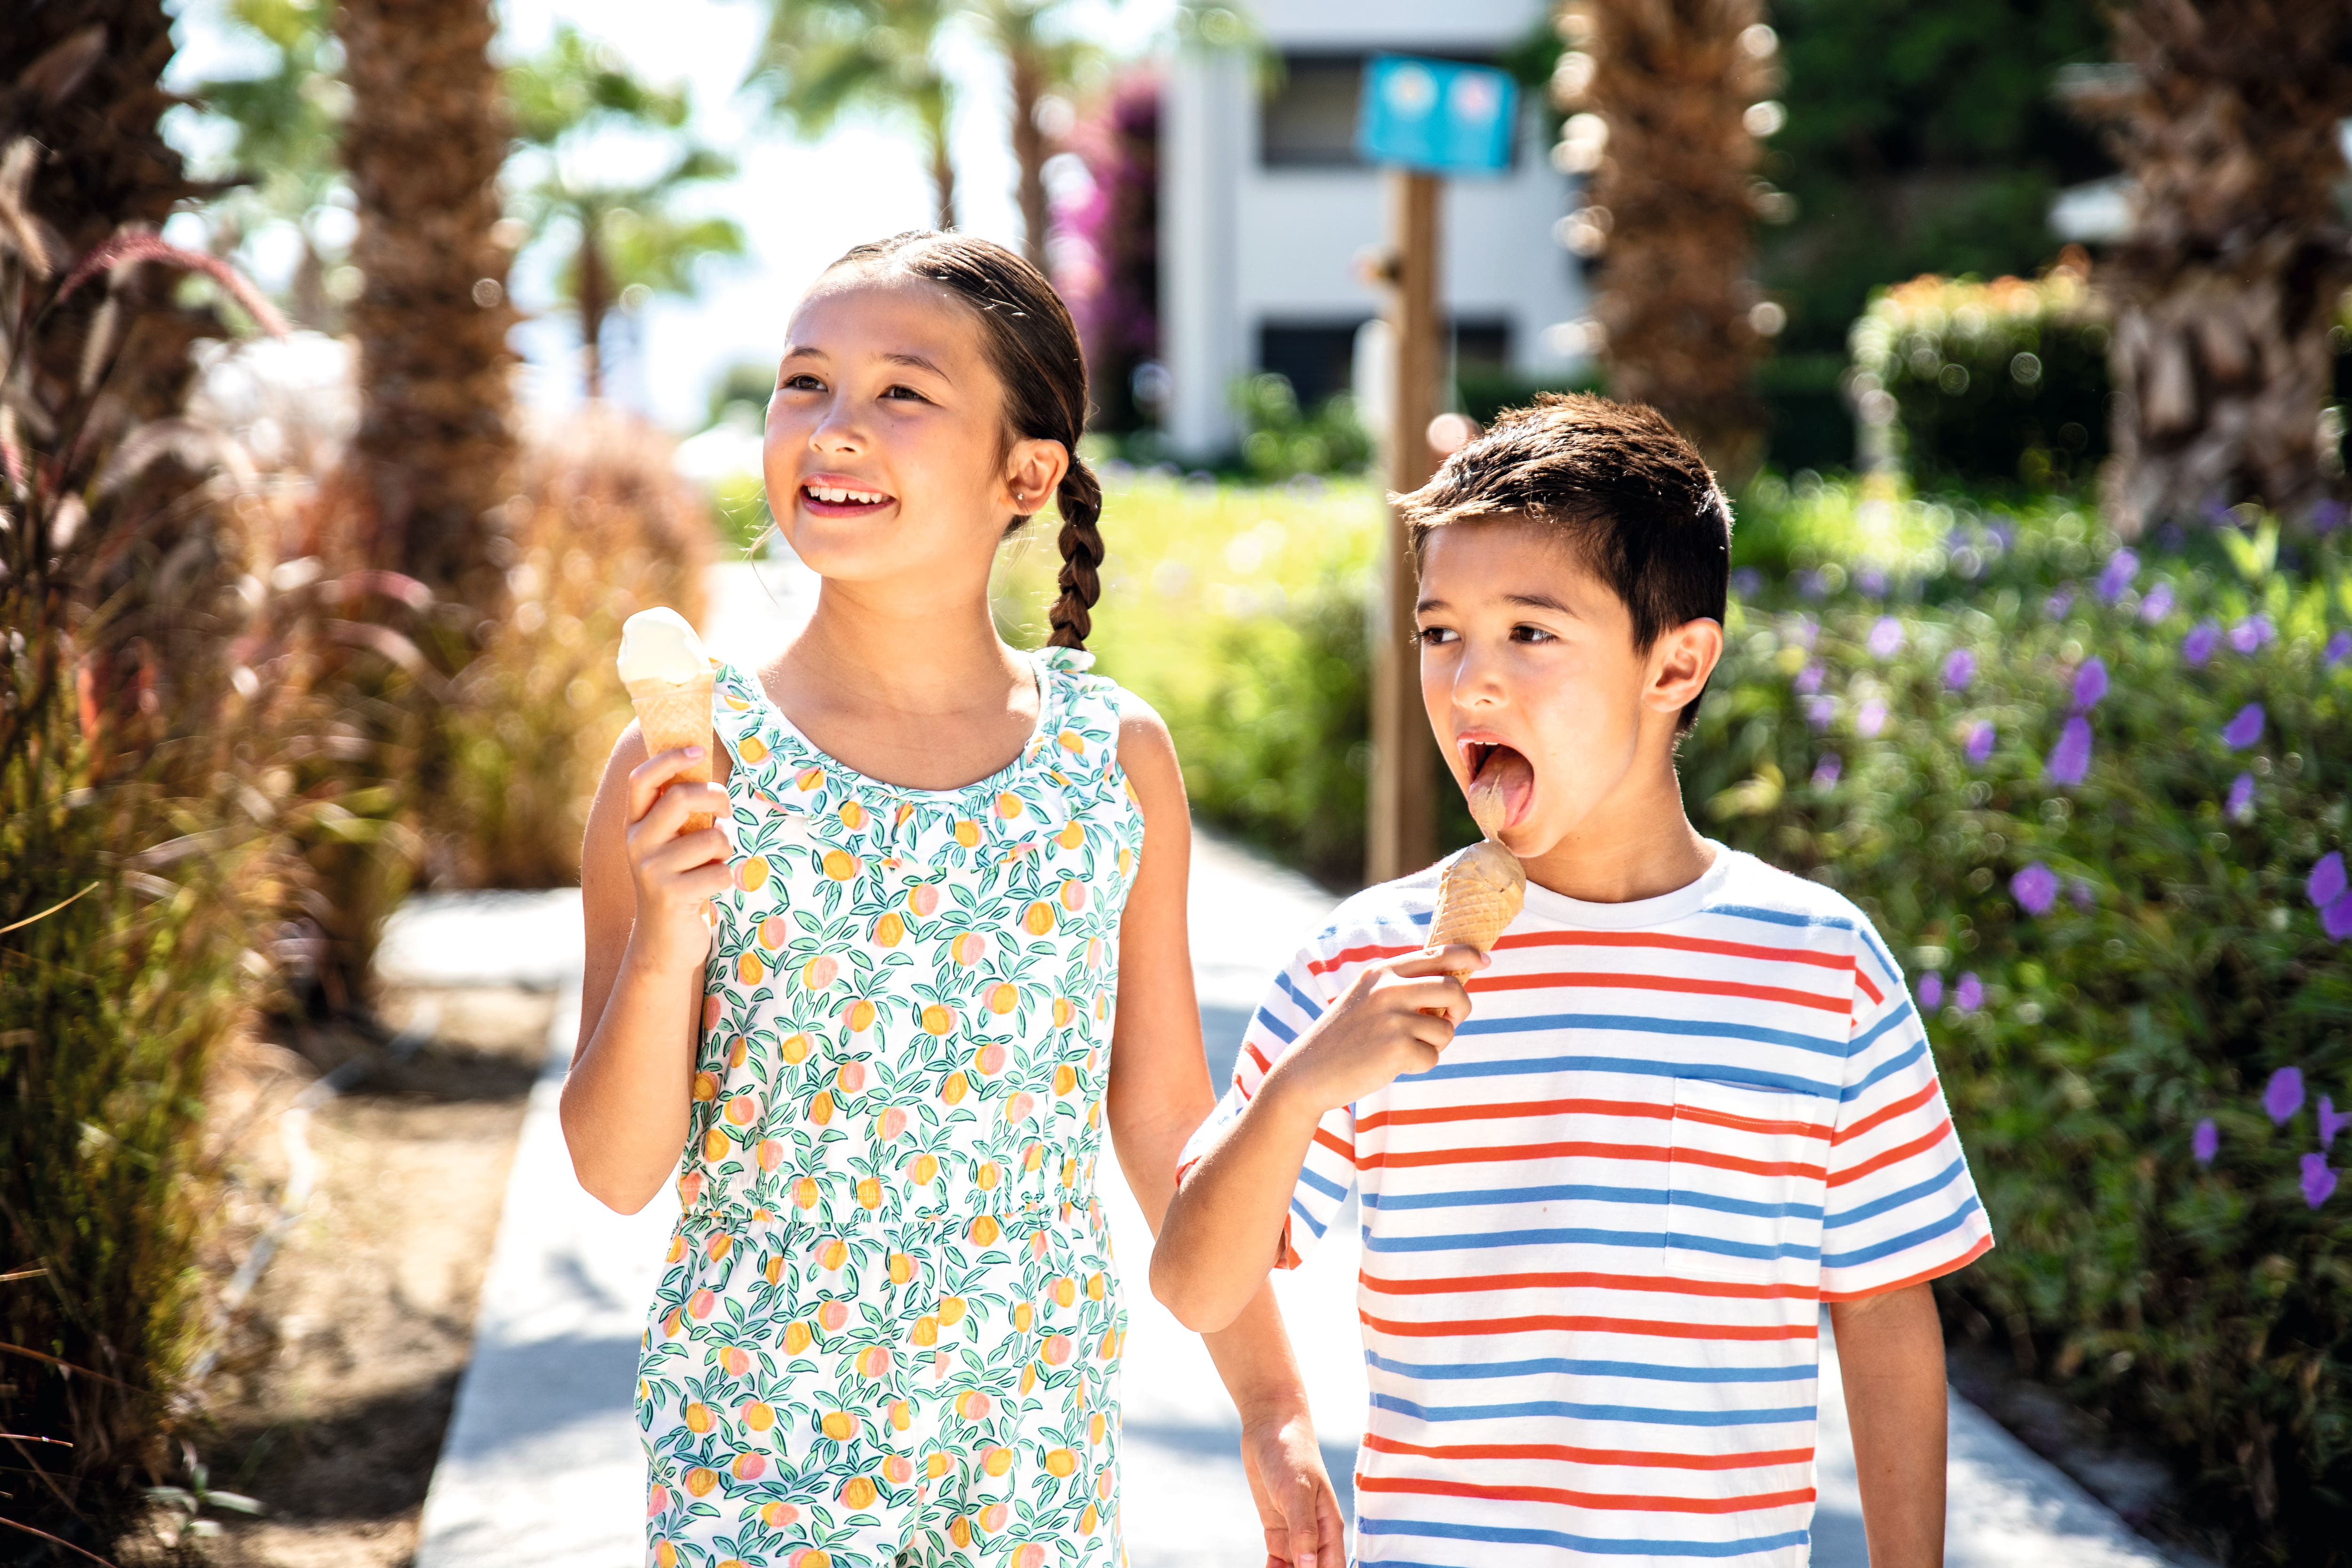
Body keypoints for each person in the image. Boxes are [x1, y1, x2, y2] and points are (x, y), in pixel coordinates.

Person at [563, 232, 1344, 1568]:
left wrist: (1272, 1404)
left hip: (1029, 1464)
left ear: (1026, 472)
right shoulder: (688, 760)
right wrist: (667, 934)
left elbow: (1163, 1117)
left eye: (901, 394)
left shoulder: (1114, 759)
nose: (835, 429)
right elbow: (618, 1168)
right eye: (803, 382)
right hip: (758, 1463)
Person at [1152, 394, 1993, 1568]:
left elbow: (1884, 1309)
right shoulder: (1362, 961)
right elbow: (1194, 1284)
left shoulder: (1820, 963)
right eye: (1440, 632)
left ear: (1677, 662)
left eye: (1530, 634)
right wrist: (1298, 1089)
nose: (1470, 683)